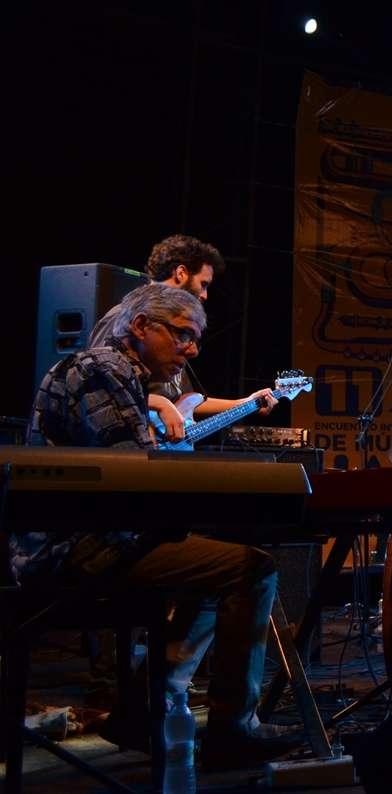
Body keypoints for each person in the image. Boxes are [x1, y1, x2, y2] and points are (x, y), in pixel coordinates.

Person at [21, 283, 296, 769]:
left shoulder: (121, 375)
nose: (191, 349)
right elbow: (137, 475)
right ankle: (232, 731)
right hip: (72, 548)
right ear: (141, 326)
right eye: (182, 335)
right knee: (249, 569)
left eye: (196, 339)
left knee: (218, 569)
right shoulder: (101, 369)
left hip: (98, 538)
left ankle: (141, 710)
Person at [89, 233, 278, 441]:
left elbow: (183, 401)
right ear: (180, 273)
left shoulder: (175, 331)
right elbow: (97, 383)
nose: (205, 295)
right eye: (203, 284)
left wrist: (244, 403)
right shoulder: (123, 316)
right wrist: (160, 404)